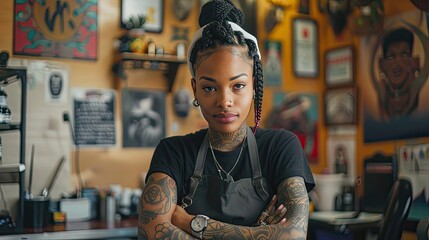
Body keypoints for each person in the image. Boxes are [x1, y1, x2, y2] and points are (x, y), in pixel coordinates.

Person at [138, 0, 315, 239]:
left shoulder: (281, 147)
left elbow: (293, 236)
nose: (224, 101)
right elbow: (153, 233)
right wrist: (260, 233)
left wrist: (191, 223)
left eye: (238, 85)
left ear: (254, 85)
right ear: (195, 89)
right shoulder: (173, 153)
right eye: (210, 88)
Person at [374, 27, 425, 119]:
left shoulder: (420, 88)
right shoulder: (382, 90)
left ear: (412, 61)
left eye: (404, 54)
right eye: (391, 56)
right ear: (383, 64)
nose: (398, 61)